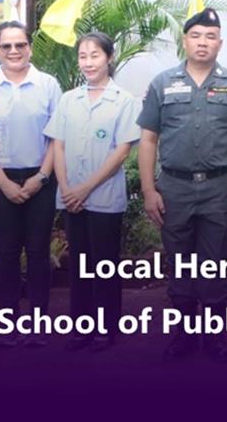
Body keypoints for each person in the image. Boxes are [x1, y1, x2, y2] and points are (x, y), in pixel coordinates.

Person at [138, 8, 227, 362]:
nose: (203, 42)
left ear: (220, 43)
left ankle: (215, 336)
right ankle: (184, 334)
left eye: (210, 36)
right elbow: (147, 140)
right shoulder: (162, 83)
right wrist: (148, 190)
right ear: (185, 41)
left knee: (216, 262)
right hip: (174, 187)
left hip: (220, 188)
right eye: (196, 36)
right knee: (180, 263)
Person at [44, 31, 140, 353]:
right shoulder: (68, 100)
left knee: (104, 265)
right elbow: (58, 145)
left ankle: (106, 327)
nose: (88, 62)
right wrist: (67, 188)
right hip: (72, 198)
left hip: (104, 198)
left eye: (94, 55)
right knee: (79, 264)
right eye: (83, 56)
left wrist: (85, 187)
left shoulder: (124, 101)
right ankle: (81, 327)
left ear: (109, 58)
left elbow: (122, 151)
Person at [0, 20, 60, 348]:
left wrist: (41, 177)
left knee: (37, 253)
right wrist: (3, 182)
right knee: (6, 254)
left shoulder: (48, 85)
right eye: (6, 46)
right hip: (1, 179)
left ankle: (38, 324)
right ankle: (9, 323)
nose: (14, 51)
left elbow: (57, 137)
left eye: (20, 44)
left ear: (29, 47)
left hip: (41, 179)